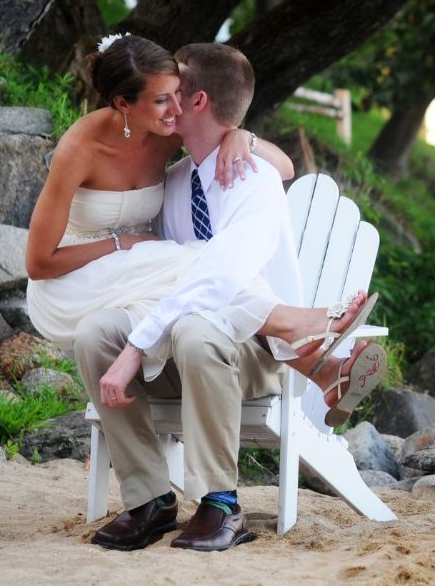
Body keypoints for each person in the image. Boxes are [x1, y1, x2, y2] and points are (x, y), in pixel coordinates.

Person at [25, 35, 386, 550]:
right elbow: (124, 269)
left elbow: (226, 268)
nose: (170, 108)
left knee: (198, 325)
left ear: (196, 100)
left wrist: (245, 138)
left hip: (249, 352)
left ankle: (221, 505)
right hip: (158, 332)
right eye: (160, 97)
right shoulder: (171, 178)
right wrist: (131, 318)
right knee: (95, 333)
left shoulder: (251, 178)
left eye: (175, 94)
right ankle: (150, 501)